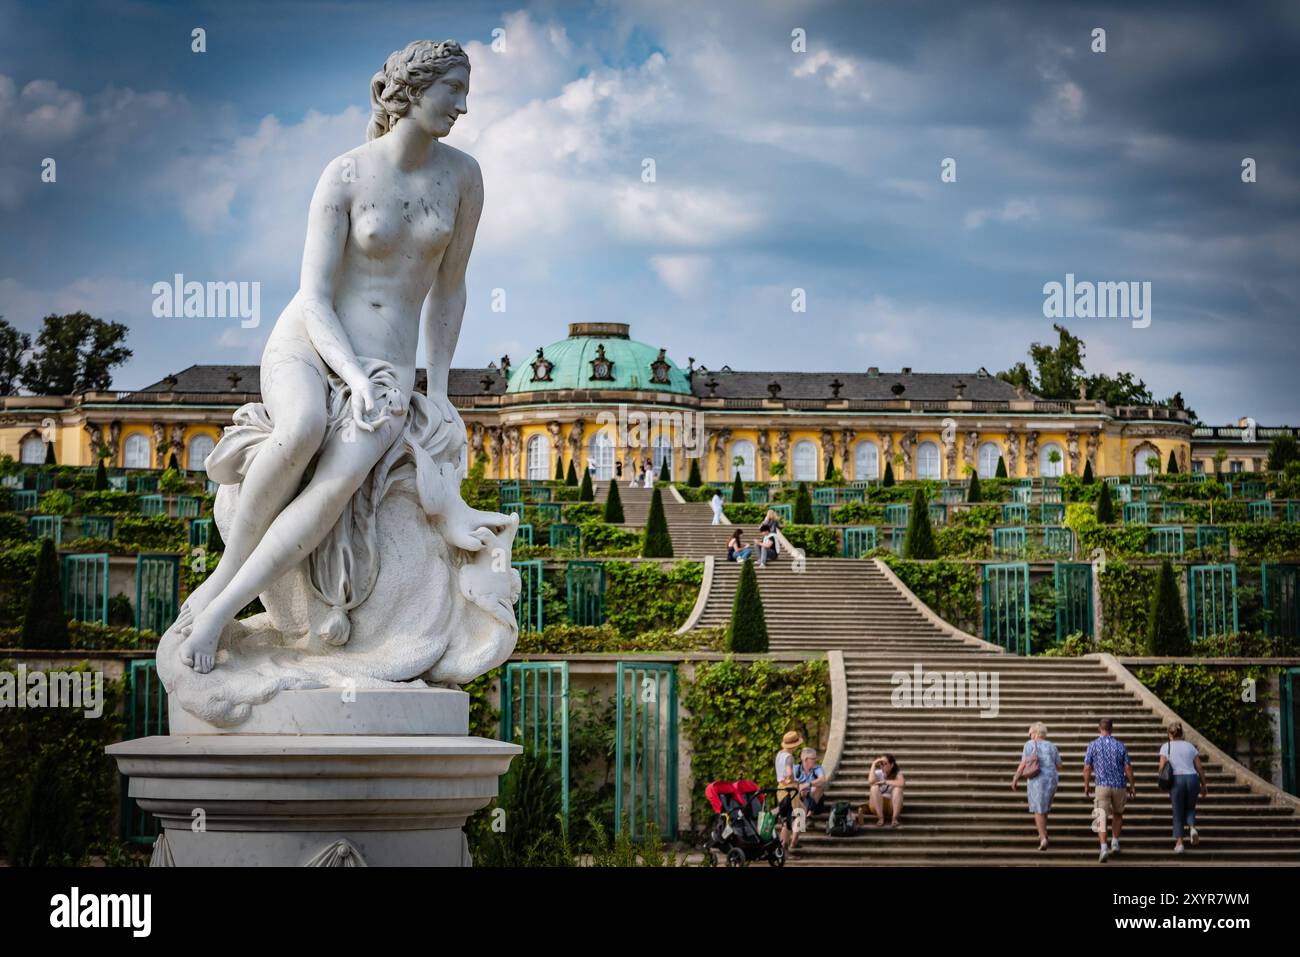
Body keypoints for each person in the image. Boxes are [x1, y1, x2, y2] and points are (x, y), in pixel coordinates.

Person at [173, 39, 509, 673]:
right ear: (411, 92)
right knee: (300, 427)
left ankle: (219, 614)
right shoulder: (347, 173)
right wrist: (349, 378)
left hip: (387, 368)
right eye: (453, 90)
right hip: (310, 342)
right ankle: (220, 579)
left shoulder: (464, 177)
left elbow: (451, 288)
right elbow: (315, 295)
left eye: (467, 93)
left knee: (335, 485)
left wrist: (434, 392)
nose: (463, 107)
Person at [1084, 717, 1136, 863]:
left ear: (1099, 729)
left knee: (1101, 816)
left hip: (1102, 785)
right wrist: (1132, 785)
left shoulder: (1093, 745)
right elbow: (1128, 768)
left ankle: (1103, 847)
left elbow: (1087, 767)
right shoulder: (1120, 745)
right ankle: (1114, 841)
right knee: (1118, 814)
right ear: (1112, 729)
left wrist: (1087, 785)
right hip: (1119, 785)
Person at [1012, 721, 1062, 851]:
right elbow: (1059, 766)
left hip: (1036, 779)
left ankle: (1042, 838)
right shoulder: (1052, 746)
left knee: (1038, 809)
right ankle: (1043, 833)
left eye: (1030, 733)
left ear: (1035, 733)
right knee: (1044, 808)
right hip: (1051, 780)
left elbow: (1023, 763)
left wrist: (1015, 778)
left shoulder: (1029, 745)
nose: (1029, 736)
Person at [1158, 721, 1207, 854]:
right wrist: (1203, 784)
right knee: (1190, 807)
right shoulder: (1190, 746)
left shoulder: (1165, 747)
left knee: (1178, 811)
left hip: (1176, 780)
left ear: (1169, 734)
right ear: (1182, 733)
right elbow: (1199, 767)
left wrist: (1162, 784)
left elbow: (1162, 767)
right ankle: (1192, 828)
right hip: (1192, 778)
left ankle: (1179, 843)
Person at [774, 730, 803, 850]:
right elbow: (790, 773)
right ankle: (789, 846)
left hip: (780, 788)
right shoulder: (789, 758)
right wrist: (790, 779)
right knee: (795, 817)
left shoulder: (780, 754)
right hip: (790, 790)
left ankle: (785, 847)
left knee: (787, 819)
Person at [866, 754, 904, 827]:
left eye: (885, 763)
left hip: (891, 807)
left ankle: (894, 818)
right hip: (876, 807)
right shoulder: (878, 772)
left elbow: (902, 783)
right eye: (881, 763)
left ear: (892, 765)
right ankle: (880, 818)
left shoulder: (897, 773)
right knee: (874, 787)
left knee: (898, 789)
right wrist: (873, 764)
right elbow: (871, 781)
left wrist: (885, 782)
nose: (882, 766)